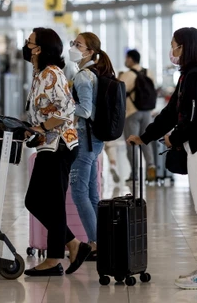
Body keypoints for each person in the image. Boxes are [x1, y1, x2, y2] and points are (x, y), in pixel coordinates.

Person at [127, 27, 197, 289]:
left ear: (186, 47)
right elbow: (171, 113)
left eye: (175, 46)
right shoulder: (194, 75)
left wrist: (174, 138)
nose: (172, 51)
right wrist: (145, 137)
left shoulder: (196, 77)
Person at [23, 27, 91, 277]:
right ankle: (73, 244)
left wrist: (39, 127)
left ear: (40, 48)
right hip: (48, 145)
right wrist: (30, 128)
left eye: (30, 42)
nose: (26, 46)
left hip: (59, 146)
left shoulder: (52, 73)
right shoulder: (39, 73)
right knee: (36, 201)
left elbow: (65, 111)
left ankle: (54, 259)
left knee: (49, 203)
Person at [68, 32, 116, 260]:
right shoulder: (97, 72)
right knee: (91, 192)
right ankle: (101, 241)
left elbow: (85, 110)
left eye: (78, 45)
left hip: (85, 140)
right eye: (73, 43)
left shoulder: (83, 76)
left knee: (79, 193)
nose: (73, 47)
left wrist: (63, 109)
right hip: (96, 139)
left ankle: (96, 244)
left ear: (89, 52)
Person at [119, 50, 156, 182]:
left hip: (132, 112)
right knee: (146, 140)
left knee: (132, 143)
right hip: (147, 112)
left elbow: (119, 93)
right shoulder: (148, 72)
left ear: (130, 59)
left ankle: (134, 174)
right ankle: (151, 166)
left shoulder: (127, 75)